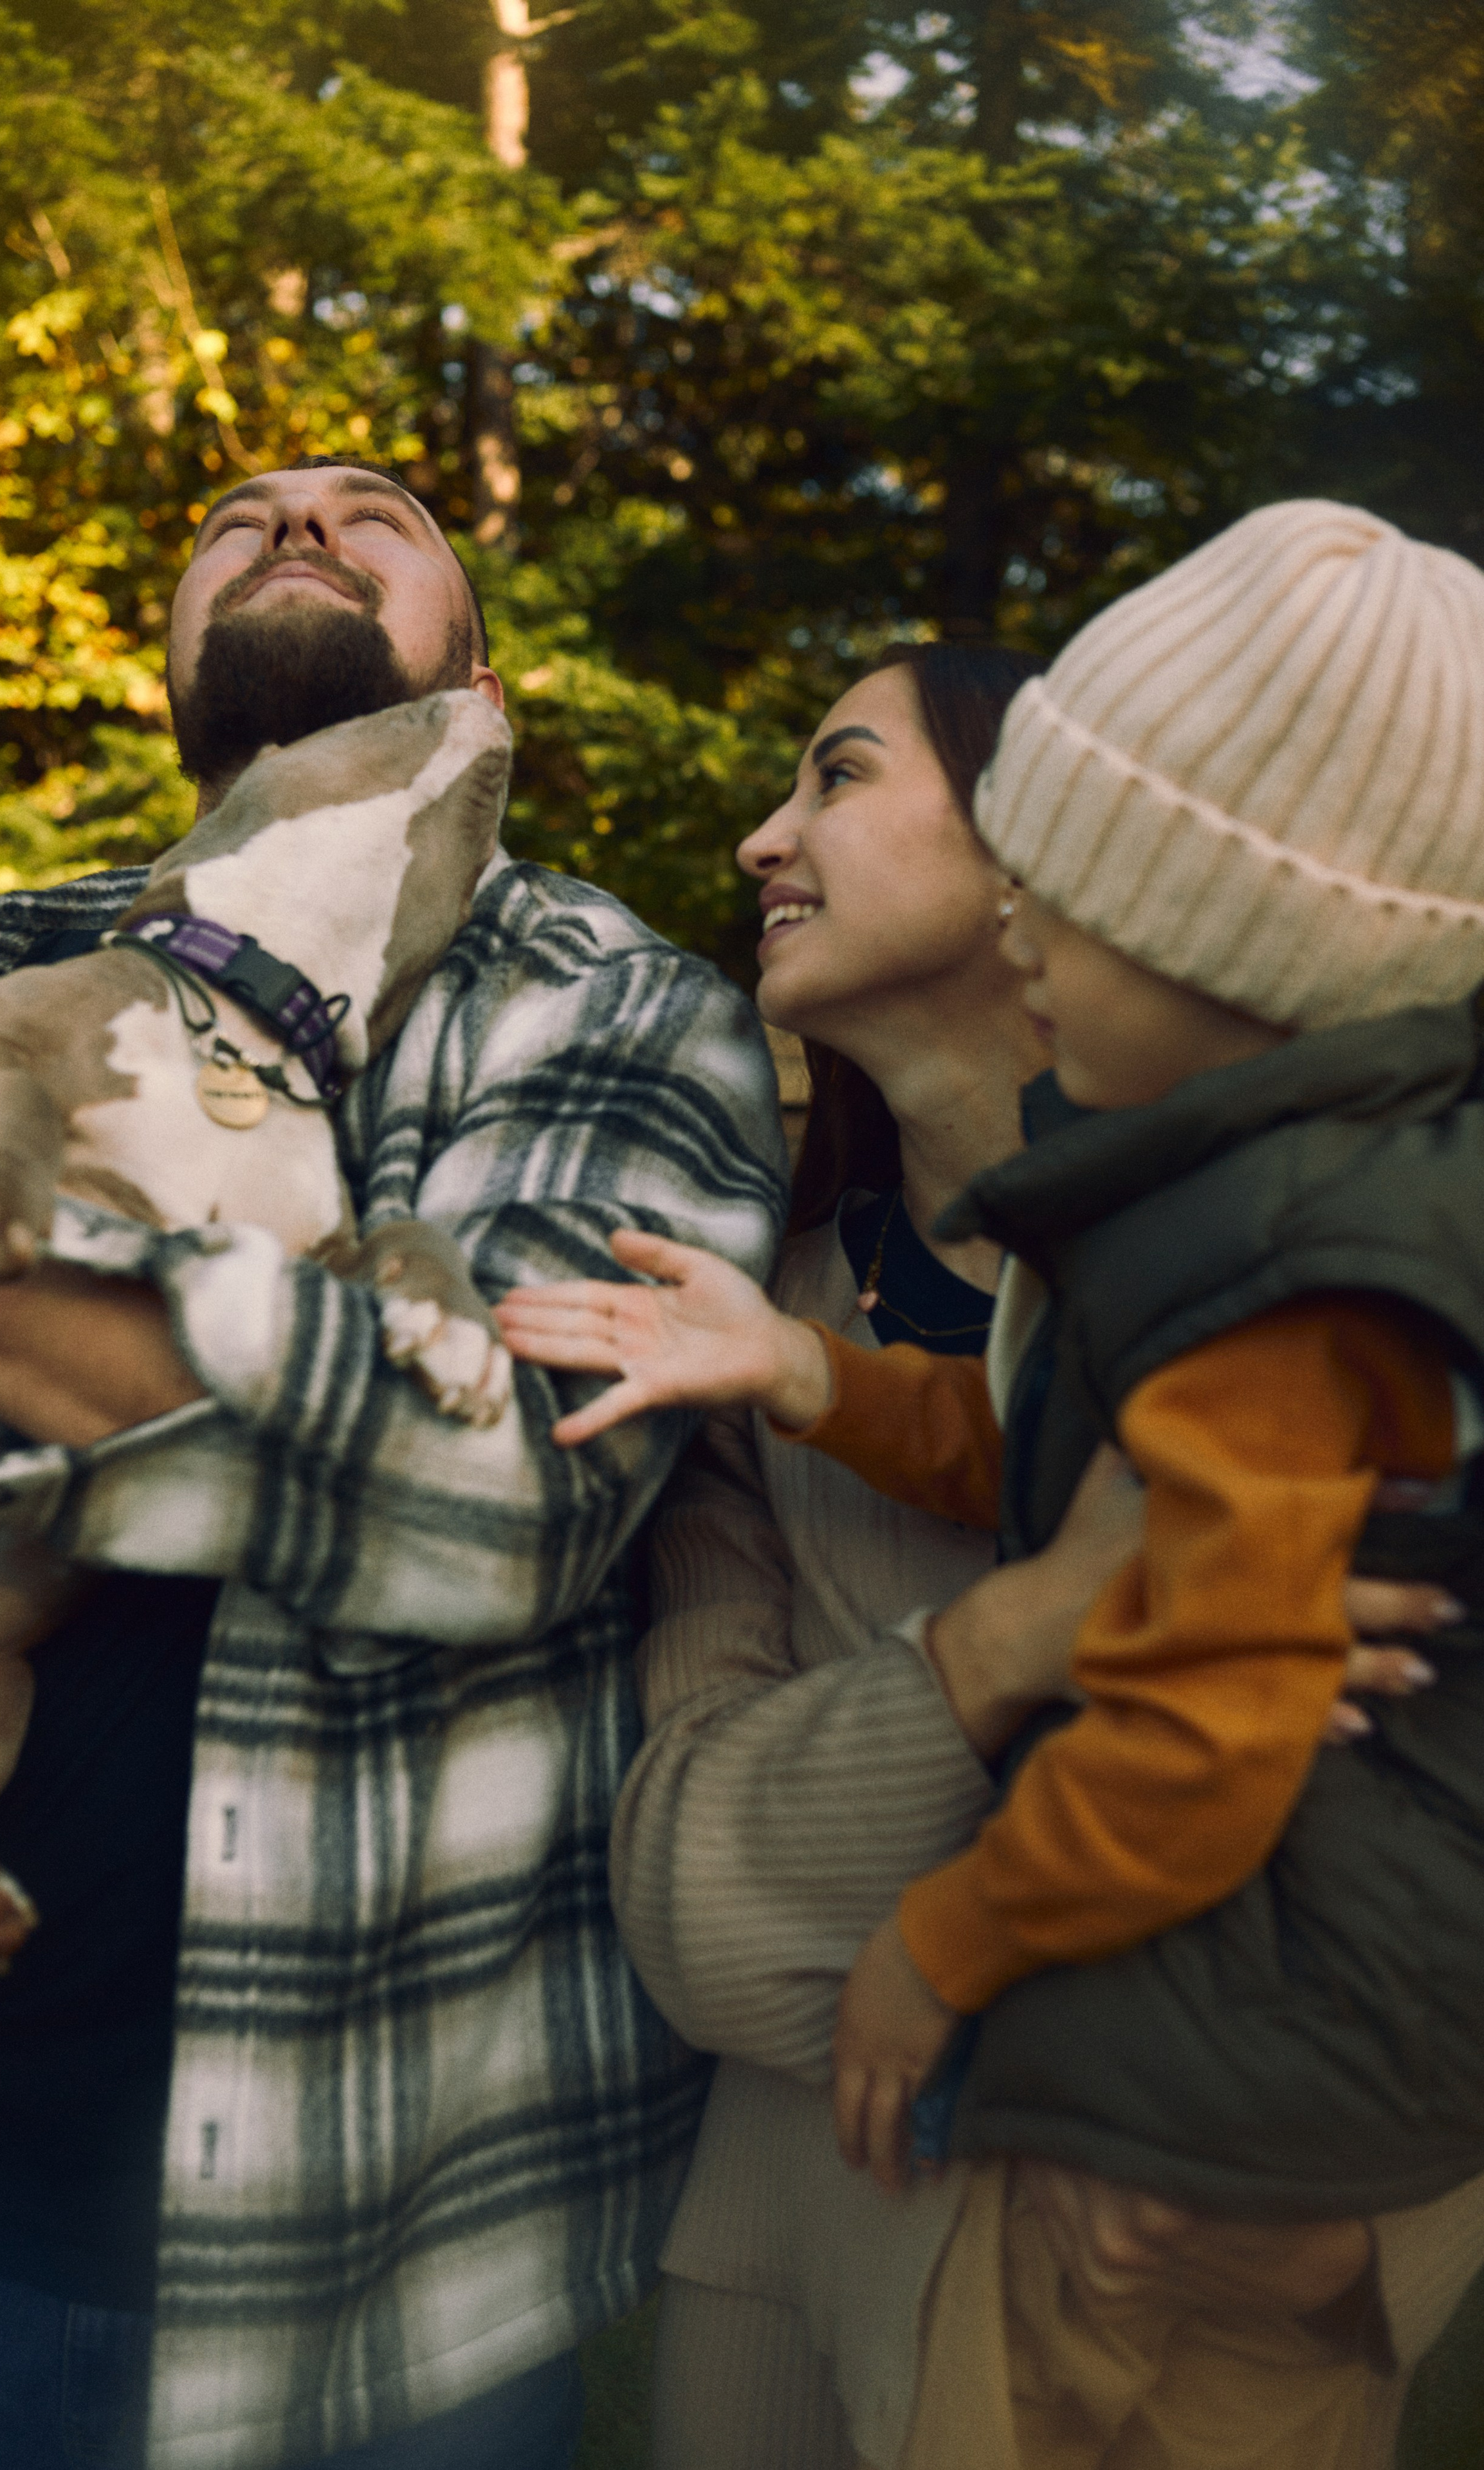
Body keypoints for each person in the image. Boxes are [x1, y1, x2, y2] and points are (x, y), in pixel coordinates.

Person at [497, 516, 1484, 2470]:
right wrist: (828, 1407)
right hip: (823, 2213)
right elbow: (698, 1901)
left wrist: (941, 1936)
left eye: (841, 776)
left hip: (1194, 2180)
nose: (762, 843)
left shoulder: (1280, 1269)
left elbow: (1246, 1709)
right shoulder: (807, 1288)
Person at [0, 455, 789, 2470]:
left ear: (484, 687)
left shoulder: (619, 1004)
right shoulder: (14, 936)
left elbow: (507, 1486)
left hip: (363, 2226)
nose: (289, 528)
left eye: (378, 518)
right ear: (172, 661)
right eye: (230, 518)